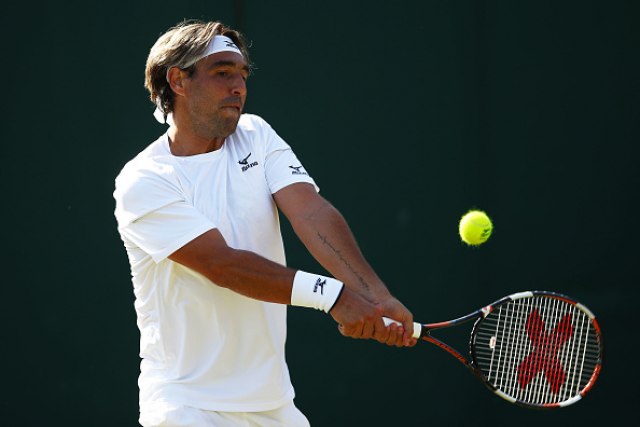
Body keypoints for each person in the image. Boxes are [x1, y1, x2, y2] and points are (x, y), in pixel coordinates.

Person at [113, 19, 416, 427]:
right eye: (222, 73)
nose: (238, 87)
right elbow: (223, 265)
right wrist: (332, 296)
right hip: (187, 408)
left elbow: (311, 212)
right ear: (178, 81)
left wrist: (374, 295)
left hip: (273, 406)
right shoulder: (144, 181)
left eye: (242, 75)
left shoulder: (256, 135)